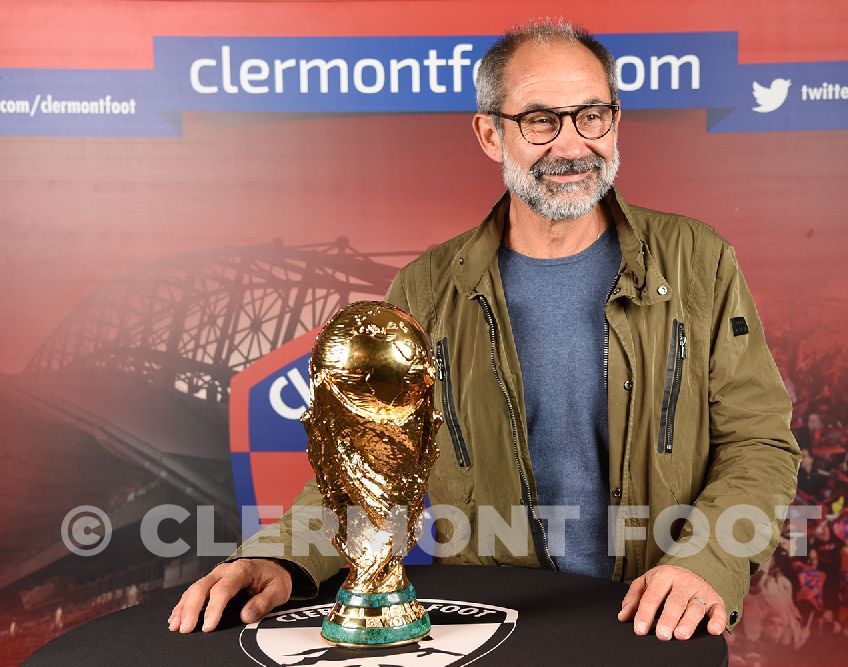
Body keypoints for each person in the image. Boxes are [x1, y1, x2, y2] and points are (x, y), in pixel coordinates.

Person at [169, 18, 800, 642]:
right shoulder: (425, 288)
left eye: (592, 115)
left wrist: (707, 560)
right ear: (490, 134)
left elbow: (759, 444)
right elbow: (375, 466)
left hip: (653, 622)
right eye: (540, 121)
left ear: (615, 121)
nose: (572, 145)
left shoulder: (698, 261)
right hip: (490, 628)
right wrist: (281, 557)